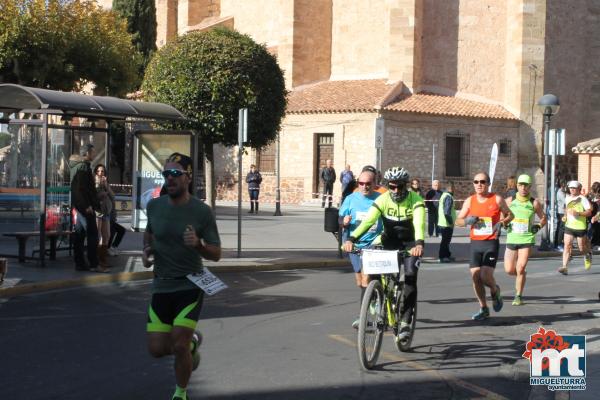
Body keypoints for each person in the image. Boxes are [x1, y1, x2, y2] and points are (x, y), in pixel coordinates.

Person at [142, 153, 221, 400]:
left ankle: (180, 392)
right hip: (161, 285)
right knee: (156, 349)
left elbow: (216, 253)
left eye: (175, 174)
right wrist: (147, 252)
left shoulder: (201, 212)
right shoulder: (154, 206)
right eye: (166, 174)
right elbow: (150, 233)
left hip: (190, 284)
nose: (170, 179)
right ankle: (192, 344)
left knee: (178, 344)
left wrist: (198, 245)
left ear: (188, 177)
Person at [344, 166, 425, 341]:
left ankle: (404, 322)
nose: (396, 190)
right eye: (392, 186)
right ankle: (375, 298)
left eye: (399, 186)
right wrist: (351, 238)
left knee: (410, 276)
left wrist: (419, 243)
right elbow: (368, 222)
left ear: (406, 185)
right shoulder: (382, 200)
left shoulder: (416, 200)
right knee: (372, 268)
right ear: (388, 186)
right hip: (388, 241)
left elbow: (419, 225)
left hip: (410, 244)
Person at [456, 171, 513, 320]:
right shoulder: (470, 201)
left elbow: (510, 215)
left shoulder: (497, 199)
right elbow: (458, 220)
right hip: (475, 243)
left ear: (488, 184)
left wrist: (502, 223)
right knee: (475, 277)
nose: (479, 184)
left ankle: (495, 290)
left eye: (482, 182)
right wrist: (468, 221)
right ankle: (483, 308)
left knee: (485, 275)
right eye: (476, 182)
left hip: (491, 242)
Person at [339, 168, 382, 329]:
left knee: (366, 278)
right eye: (361, 183)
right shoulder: (350, 199)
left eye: (368, 184)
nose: (364, 186)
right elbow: (340, 219)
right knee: (360, 280)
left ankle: (361, 317)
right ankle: (371, 299)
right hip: (354, 244)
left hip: (373, 242)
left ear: (375, 184)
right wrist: (344, 221)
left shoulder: (380, 199)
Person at [503, 174, 546, 306]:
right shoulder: (509, 201)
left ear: (530, 187)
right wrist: (505, 223)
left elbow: (544, 218)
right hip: (512, 237)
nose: (523, 188)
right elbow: (502, 215)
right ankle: (521, 275)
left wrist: (537, 227)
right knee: (509, 270)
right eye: (521, 185)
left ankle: (518, 295)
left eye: (526, 185)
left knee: (520, 268)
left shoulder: (534, 203)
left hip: (526, 239)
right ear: (517, 185)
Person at [69, 143, 100, 272]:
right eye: (92, 152)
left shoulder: (79, 166)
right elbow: (80, 189)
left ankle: (80, 263)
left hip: (80, 206)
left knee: (80, 235)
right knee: (93, 234)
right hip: (85, 207)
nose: (94, 154)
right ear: (87, 153)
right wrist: (87, 206)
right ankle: (93, 264)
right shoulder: (82, 166)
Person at [559, 180, 593, 275]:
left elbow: (589, 212)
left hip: (580, 227)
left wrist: (578, 213)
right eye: (571, 188)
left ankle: (587, 254)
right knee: (567, 245)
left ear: (579, 189)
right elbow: (567, 208)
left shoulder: (582, 199)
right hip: (569, 226)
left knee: (581, 248)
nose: (572, 190)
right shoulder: (567, 197)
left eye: (574, 188)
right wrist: (565, 216)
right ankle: (564, 267)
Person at [94, 164, 114, 272]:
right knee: (98, 235)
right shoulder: (94, 183)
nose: (100, 173)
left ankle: (103, 259)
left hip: (106, 212)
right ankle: (98, 260)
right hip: (98, 212)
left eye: (102, 171)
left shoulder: (105, 182)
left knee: (107, 235)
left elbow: (113, 196)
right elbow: (94, 196)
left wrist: (106, 186)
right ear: (95, 172)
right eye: (98, 171)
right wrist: (98, 186)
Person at [438, 181, 456, 263]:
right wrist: (451, 222)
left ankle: (447, 255)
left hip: (443, 222)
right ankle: (443, 256)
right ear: (451, 188)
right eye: (454, 187)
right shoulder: (448, 197)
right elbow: (447, 212)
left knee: (446, 241)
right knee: (445, 241)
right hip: (446, 224)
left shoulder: (444, 195)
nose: (454, 189)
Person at [555, 181, 567, 251]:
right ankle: (558, 244)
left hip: (563, 212)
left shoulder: (562, 192)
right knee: (561, 228)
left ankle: (560, 243)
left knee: (561, 228)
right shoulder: (560, 193)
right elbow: (566, 201)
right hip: (561, 212)